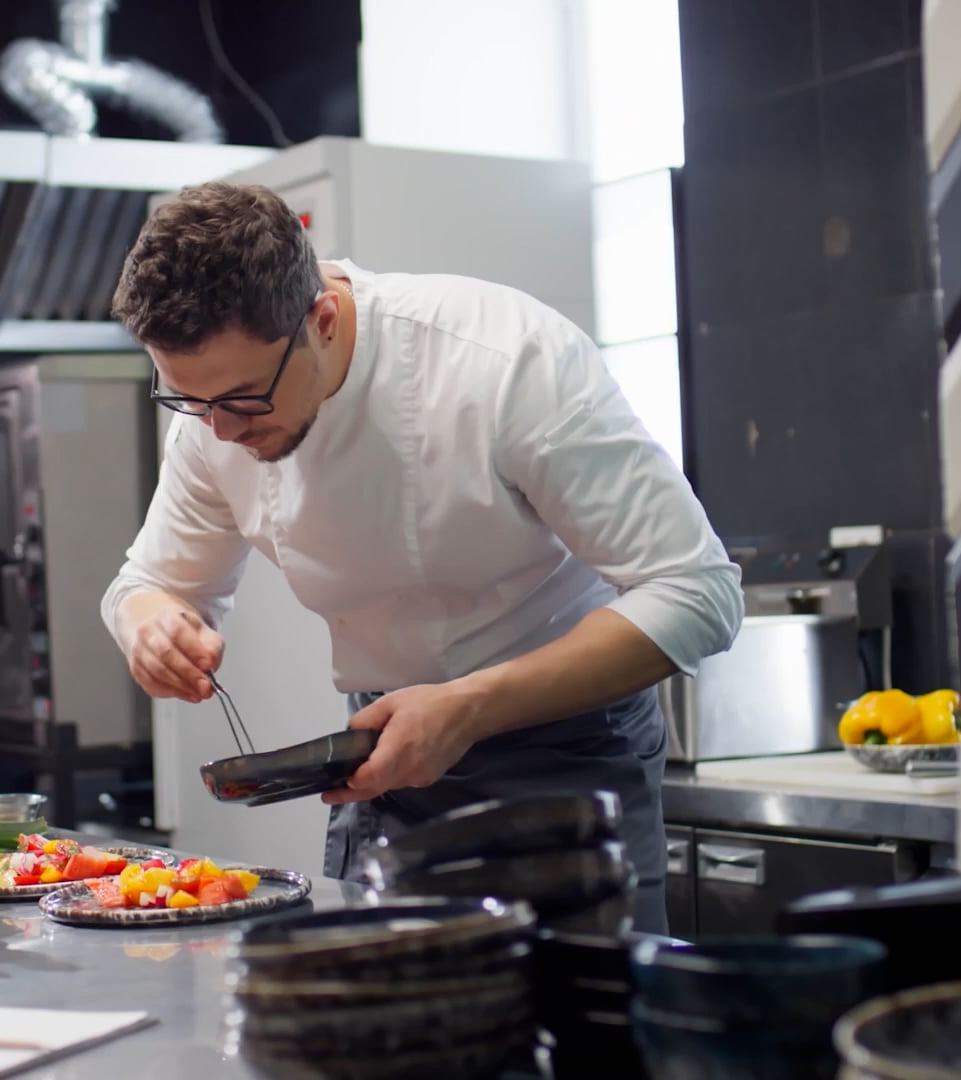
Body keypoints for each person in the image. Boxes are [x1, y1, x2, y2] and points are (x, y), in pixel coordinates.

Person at [99, 183, 743, 933]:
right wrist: (150, 625)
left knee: (583, 1027)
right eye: (185, 400)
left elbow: (697, 590)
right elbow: (148, 583)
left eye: (242, 401)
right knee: (386, 1025)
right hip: (384, 767)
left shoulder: (503, 360)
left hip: (565, 758)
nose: (217, 432)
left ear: (323, 319)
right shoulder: (213, 419)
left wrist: (469, 707)